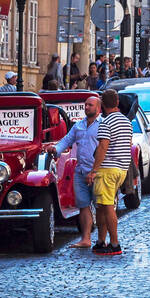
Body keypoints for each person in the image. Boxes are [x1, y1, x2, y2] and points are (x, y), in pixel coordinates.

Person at [86, 89, 133, 257]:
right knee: (102, 206)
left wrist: (94, 170)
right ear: (117, 102)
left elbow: (103, 147)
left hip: (108, 169)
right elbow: (128, 145)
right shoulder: (126, 121)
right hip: (121, 168)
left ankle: (114, 243)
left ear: (102, 105)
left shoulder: (106, 123)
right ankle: (100, 241)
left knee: (107, 207)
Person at [53, 93, 102, 247]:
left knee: (101, 206)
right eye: (85, 105)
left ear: (98, 108)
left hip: (98, 172)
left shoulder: (103, 125)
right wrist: (55, 149)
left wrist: (97, 170)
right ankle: (86, 239)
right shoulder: (79, 125)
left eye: (90, 105)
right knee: (83, 206)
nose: (86, 107)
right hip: (80, 171)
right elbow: (67, 140)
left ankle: (102, 239)